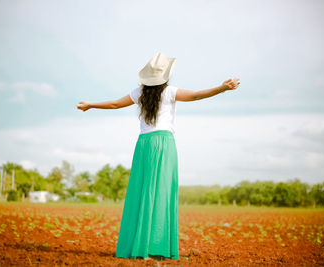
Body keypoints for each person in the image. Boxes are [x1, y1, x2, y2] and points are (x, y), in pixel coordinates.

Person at [76, 52, 240, 261]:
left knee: (142, 192)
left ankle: (138, 247)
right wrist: (221, 88)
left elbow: (115, 104)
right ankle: (156, 247)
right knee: (162, 193)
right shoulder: (170, 92)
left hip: (144, 145)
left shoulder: (139, 93)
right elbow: (197, 95)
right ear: (165, 77)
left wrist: (90, 105)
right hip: (163, 144)